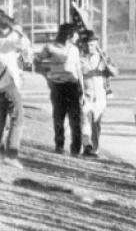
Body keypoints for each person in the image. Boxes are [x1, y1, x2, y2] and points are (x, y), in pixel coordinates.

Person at [36, 23, 83, 155]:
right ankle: (59, 145)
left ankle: (76, 149)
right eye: (76, 33)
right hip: (57, 87)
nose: (78, 36)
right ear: (69, 35)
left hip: (73, 86)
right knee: (59, 117)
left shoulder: (75, 49)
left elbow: (78, 69)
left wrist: (82, 90)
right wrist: (46, 77)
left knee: (75, 118)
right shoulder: (50, 48)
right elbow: (37, 60)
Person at [0, 12, 33, 168]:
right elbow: (24, 45)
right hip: (8, 83)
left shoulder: (7, 39)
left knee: (1, 119)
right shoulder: (6, 40)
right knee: (17, 117)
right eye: (5, 27)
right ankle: (11, 155)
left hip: (4, 83)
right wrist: (18, 32)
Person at [78, 30, 116, 157]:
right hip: (86, 96)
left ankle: (95, 148)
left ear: (96, 45)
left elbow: (115, 72)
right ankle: (86, 147)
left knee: (96, 123)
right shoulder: (80, 59)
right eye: (88, 45)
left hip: (100, 96)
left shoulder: (103, 58)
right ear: (83, 45)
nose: (90, 48)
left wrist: (110, 69)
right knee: (85, 121)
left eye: (93, 45)